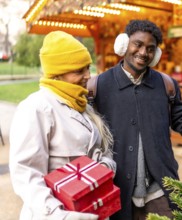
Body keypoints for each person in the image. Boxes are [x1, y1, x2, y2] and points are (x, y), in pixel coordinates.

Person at [93, 19, 182, 219]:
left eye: (150, 49)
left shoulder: (166, 85)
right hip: (117, 190)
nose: (143, 53)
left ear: (156, 55)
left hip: (159, 189)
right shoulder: (99, 86)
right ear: (124, 44)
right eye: (138, 44)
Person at [9, 31, 116, 220]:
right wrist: (59, 214)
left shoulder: (80, 103)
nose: (87, 76)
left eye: (87, 68)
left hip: (92, 207)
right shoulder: (36, 108)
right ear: (57, 73)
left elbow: (100, 150)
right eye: (78, 71)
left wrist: (105, 166)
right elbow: (25, 173)